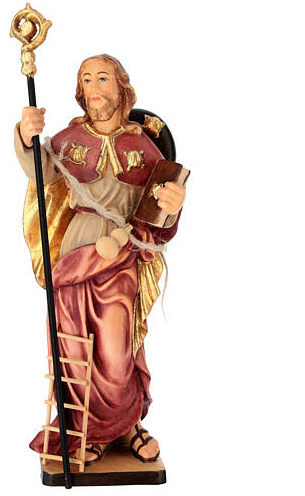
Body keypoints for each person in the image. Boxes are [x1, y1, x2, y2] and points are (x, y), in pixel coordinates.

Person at [14, 54, 186, 463]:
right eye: (87, 79)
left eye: (103, 78)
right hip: (76, 252)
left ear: (121, 88)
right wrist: (26, 135)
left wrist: (174, 203)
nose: (94, 87)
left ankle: (126, 424)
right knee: (75, 348)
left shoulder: (142, 146)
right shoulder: (71, 139)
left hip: (120, 256)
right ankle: (90, 430)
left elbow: (158, 216)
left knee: (115, 350)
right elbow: (40, 171)